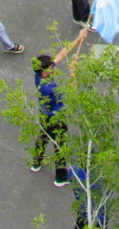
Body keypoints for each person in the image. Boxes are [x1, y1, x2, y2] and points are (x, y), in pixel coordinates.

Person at [30, 27, 90, 186]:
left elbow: (61, 55)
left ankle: (37, 162)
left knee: (42, 138)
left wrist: (79, 38)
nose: (53, 67)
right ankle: (61, 177)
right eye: (50, 67)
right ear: (44, 72)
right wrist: (73, 71)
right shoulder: (49, 88)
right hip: (56, 117)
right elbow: (70, 91)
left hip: (44, 114)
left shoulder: (38, 76)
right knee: (60, 144)